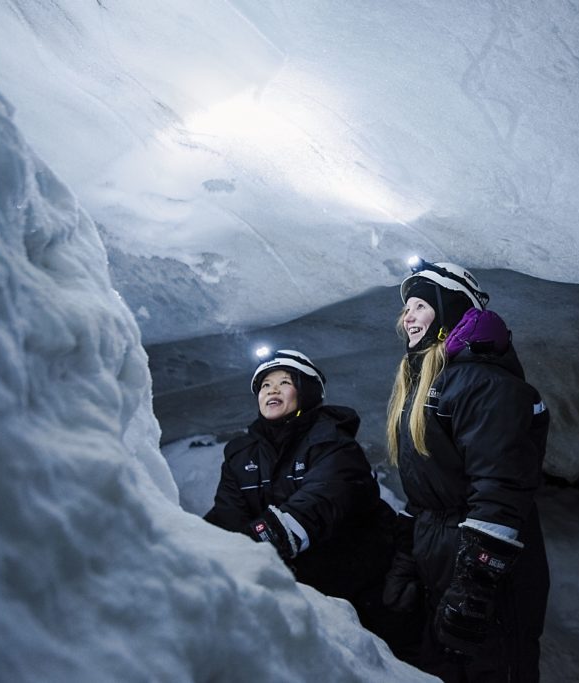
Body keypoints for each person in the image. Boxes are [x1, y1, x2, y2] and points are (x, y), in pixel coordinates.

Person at [382, 258, 551, 682]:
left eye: (420, 305)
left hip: (484, 565)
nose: (408, 317)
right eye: (406, 309)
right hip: (440, 553)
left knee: (493, 668)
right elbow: (427, 491)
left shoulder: (483, 382)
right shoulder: (427, 385)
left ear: (450, 308)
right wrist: (408, 557)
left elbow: (500, 487)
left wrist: (475, 582)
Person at [204, 348, 399, 639]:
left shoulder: (333, 441)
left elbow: (323, 498)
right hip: (297, 587)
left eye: (285, 382)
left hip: (361, 586)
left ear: (306, 392)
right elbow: (228, 514)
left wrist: (265, 536)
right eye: (265, 385)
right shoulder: (240, 454)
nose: (272, 390)